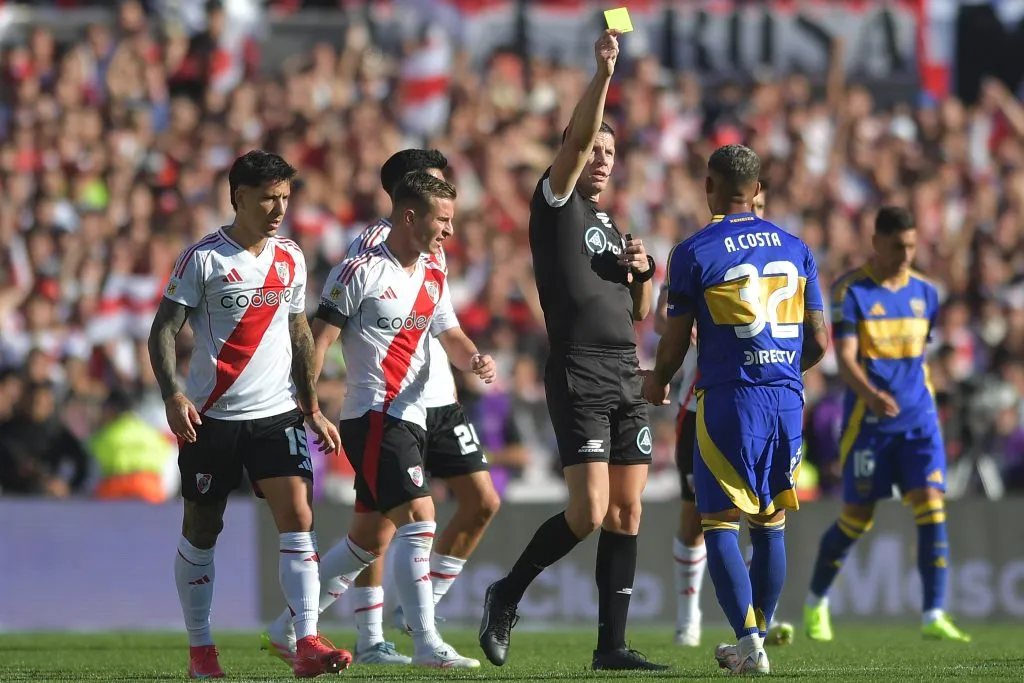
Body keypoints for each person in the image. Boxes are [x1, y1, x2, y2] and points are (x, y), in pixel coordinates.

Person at [262, 150, 500, 666]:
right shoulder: (361, 268)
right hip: (374, 414)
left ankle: (287, 627)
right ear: (410, 213)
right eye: (442, 219)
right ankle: (424, 641)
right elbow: (319, 338)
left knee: (367, 541)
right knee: (420, 516)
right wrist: (308, 407)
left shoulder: (433, 269)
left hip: (418, 412)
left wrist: (473, 358)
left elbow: (448, 331)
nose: (450, 231)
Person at [478, 29, 667, 672]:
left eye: (614, 152)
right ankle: (507, 592)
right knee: (586, 511)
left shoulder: (616, 229)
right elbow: (580, 138)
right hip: (580, 369)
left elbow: (640, 314)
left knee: (627, 508)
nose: (604, 160)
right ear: (573, 152)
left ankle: (611, 647)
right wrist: (605, 72)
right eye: (597, 149)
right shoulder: (554, 202)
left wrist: (644, 273)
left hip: (625, 372)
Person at [148, 150, 350, 679]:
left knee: (299, 518)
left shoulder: (290, 256)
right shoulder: (203, 258)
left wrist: (309, 406)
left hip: (276, 414)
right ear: (238, 196)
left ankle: (305, 639)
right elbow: (163, 330)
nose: (279, 208)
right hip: (211, 418)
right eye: (268, 197)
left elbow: (300, 333)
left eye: (285, 197)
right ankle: (201, 650)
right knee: (202, 528)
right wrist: (173, 394)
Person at [642, 144, 828, 675]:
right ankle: (754, 642)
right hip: (787, 401)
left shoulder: (694, 251)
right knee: (770, 525)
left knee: (719, 522)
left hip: (729, 399)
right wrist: (786, 372)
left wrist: (658, 380)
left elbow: (675, 341)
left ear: (710, 187)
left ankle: (749, 642)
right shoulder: (796, 247)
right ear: (758, 189)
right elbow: (819, 339)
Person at [803, 206, 970, 643]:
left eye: (912, 246)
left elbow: (919, 360)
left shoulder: (925, 294)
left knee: (932, 508)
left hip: (920, 420)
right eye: (898, 246)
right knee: (857, 518)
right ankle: (816, 601)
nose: (906, 254)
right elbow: (847, 360)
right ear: (876, 242)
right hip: (870, 423)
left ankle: (934, 612)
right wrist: (872, 395)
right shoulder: (850, 292)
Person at [656, 185, 794, 648]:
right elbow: (663, 317)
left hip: (728, 400)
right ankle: (691, 616)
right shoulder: (706, 255)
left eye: (759, 207)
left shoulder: (707, 251)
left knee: (743, 519)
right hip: (705, 404)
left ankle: (753, 627)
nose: (753, 212)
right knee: (700, 515)